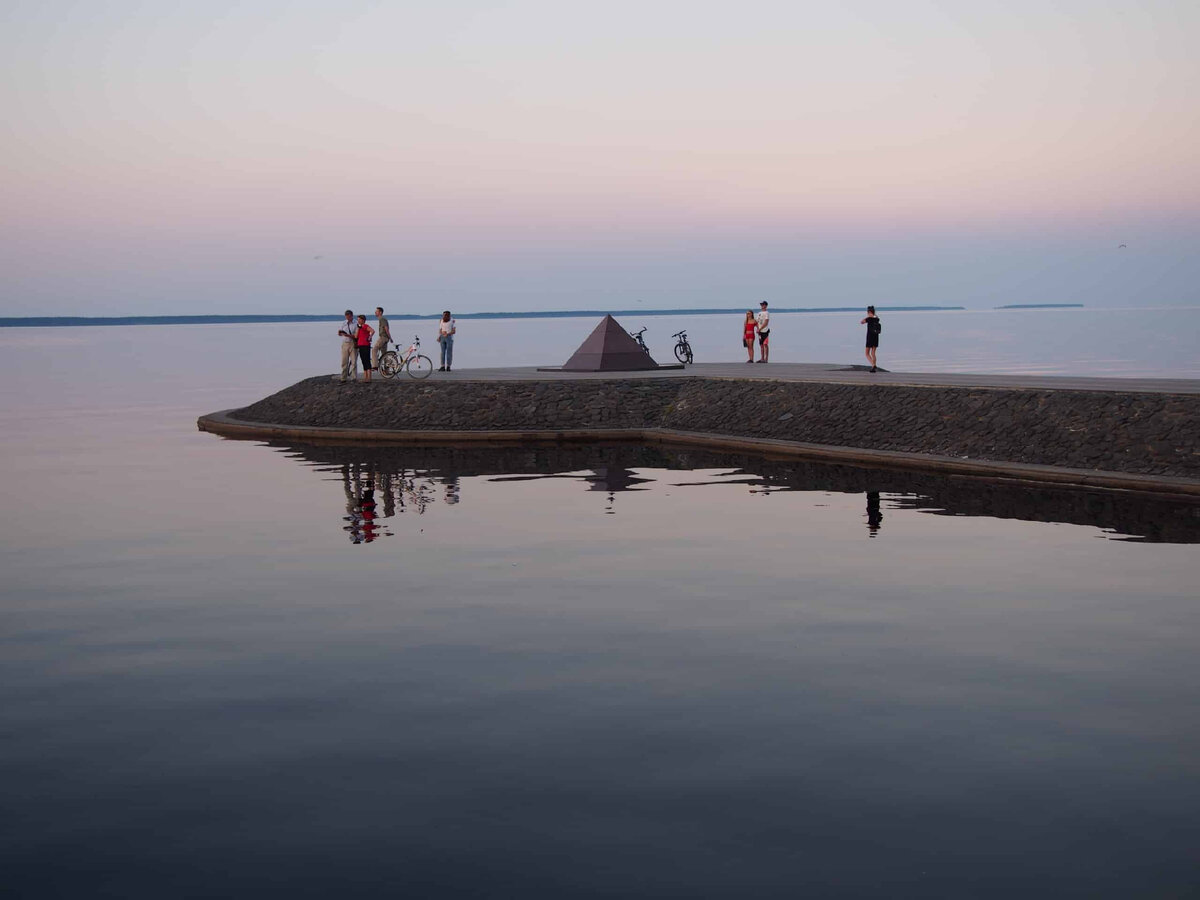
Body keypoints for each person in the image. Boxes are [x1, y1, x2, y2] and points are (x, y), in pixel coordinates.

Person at [337, 309, 358, 382]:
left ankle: (354, 377)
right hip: (345, 343)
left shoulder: (356, 323)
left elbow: (356, 336)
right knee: (344, 361)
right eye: (346, 316)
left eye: (349, 316)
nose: (347, 318)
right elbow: (339, 333)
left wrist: (347, 335)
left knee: (354, 361)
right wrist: (340, 333)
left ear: (352, 316)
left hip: (353, 343)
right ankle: (343, 378)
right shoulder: (343, 323)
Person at [860, 305, 881, 372]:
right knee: (873, 353)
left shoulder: (869, 319)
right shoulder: (877, 318)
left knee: (867, 353)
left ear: (869, 312)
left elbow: (862, 322)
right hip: (876, 337)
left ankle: (873, 365)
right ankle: (874, 365)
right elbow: (876, 318)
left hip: (869, 337)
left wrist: (868, 317)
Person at [355, 314, 375, 382]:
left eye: (359, 319)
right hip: (360, 345)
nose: (358, 321)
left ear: (363, 320)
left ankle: (369, 377)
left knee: (367, 360)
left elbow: (372, 331)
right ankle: (365, 377)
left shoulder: (365, 326)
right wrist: (358, 328)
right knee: (363, 361)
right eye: (358, 320)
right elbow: (356, 336)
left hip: (366, 345)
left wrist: (369, 337)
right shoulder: (359, 327)